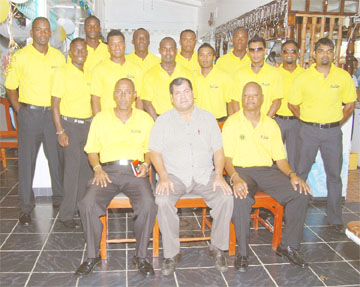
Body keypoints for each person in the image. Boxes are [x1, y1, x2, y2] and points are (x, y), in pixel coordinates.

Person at [149, 77, 233, 275]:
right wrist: (163, 176)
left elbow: (218, 150)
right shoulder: (163, 120)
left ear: (193, 93)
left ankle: (218, 248)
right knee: (161, 200)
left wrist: (219, 175)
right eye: (177, 93)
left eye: (186, 91)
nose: (183, 96)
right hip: (174, 176)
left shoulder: (208, 118)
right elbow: (154, 152)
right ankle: (171, 253)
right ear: (171, 98)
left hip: (204, 174)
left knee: (225, 197)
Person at [223, 82, 311, 272]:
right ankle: (243, 253)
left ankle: (288, 246)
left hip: (266, 170)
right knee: (241, 197)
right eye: (246, 95)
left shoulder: (271, 124)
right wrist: (235, 178)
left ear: (262, 98)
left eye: (254, 95)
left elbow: (280, 159)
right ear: (242, 98)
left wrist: (293, 175)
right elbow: (226, 158)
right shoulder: (232, 122)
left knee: (300, 193)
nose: (250, 99)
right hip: (241, 170)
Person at [75, 78, 157, 277]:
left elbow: (151, 149)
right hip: (107, 172)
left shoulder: (145, 119)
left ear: (134, 95)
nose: (123, 96)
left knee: (148, 204)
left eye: (127, 92)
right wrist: (97, 169)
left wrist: (146, 164)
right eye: (119, 91)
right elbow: (92, 150)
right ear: (113, 94)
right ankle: (93, 255)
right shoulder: (100, 119)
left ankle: (141, 256)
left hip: (135, 170)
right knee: (87, 203)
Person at [289, 38, 356, 232]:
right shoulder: (302, 77)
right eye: (321, 51)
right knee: (300, 173)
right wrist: (307, 120)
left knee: (334, 175)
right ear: (314, 54)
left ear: (334, 54)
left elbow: (350, 104)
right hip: (307, 131)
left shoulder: (343, 77)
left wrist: (336, 123)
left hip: (332, 133)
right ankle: (296, 214)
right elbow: (293, 104)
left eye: (329, 51)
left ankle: (335, 218)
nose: (325, 54)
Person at [5, 17, 65, 225]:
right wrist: (20, 111)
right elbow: (10, 87)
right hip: (29, 115)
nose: (42, 33)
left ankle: (60, 200)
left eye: (46, 30)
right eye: (38, 29)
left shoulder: (59, 58)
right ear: (32, 33)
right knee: (27, 163)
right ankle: (25, 208)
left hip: (52, 116)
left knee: (56, 161)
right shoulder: (20, 57)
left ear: (50, 34)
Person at [51, 38, 92, 229]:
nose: (80, 53)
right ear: (70, 52)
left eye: (83, 50)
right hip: (71, 126)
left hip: (88, 126)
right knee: (71, 172)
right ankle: (66, 215)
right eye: (76, 50)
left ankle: (80, 209)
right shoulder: (62, 72)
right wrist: (60, 131)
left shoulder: (88, 73)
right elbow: (55, 103)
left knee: (86, 172)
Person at [141, 37, 195, 120]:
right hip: (158, 119)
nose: (168, 52)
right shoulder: (149, 74)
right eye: (164, 49)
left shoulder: (187, 73)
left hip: (182, 120)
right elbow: (146, 102)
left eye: (171, 49)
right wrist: (158, 122)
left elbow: (192, 99)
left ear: (176, 51)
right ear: (159, 51)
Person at [91, 30, 143, 115]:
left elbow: (139, 99)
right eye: (113, 44)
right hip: (108, 121)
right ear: (108, 47)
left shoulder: (136, 69)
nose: (117, 47)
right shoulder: (99, 69)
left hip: (130, 121)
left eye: (120, 43)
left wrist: (139, 120)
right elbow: (95, 99)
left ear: (124, 45)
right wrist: (99, 122)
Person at [232, 35, 283, 118]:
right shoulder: (239, 74)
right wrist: (242, 121)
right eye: (252, 50)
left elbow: (277, 101)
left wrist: (265, 122)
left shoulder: (274, 73)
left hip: (266, 123)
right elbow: (235, 101)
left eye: (259, 50)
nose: (255, 54)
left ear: (265, 51)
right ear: (248, 52)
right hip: (243, 124)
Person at [275, 40, 305, 170]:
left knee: (294, 157)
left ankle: (294, 185)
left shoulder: (305, 74)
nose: (289, 54)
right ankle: (273, 185)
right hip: (277, 120)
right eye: (286, 51)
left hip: (296, 121)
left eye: (293, 51)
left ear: (297, 54)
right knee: (273, 155)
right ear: (281, 54)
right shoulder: (274, 73)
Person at [194, 43, 233, 121]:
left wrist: (230, 122)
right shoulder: (192, 76)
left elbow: (230, 102)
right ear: (198, 58)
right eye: (201, 55)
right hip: (196, 121)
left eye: (208, 55)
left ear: (214, 58)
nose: (205, 58)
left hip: (218, 121)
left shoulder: (224, 76)